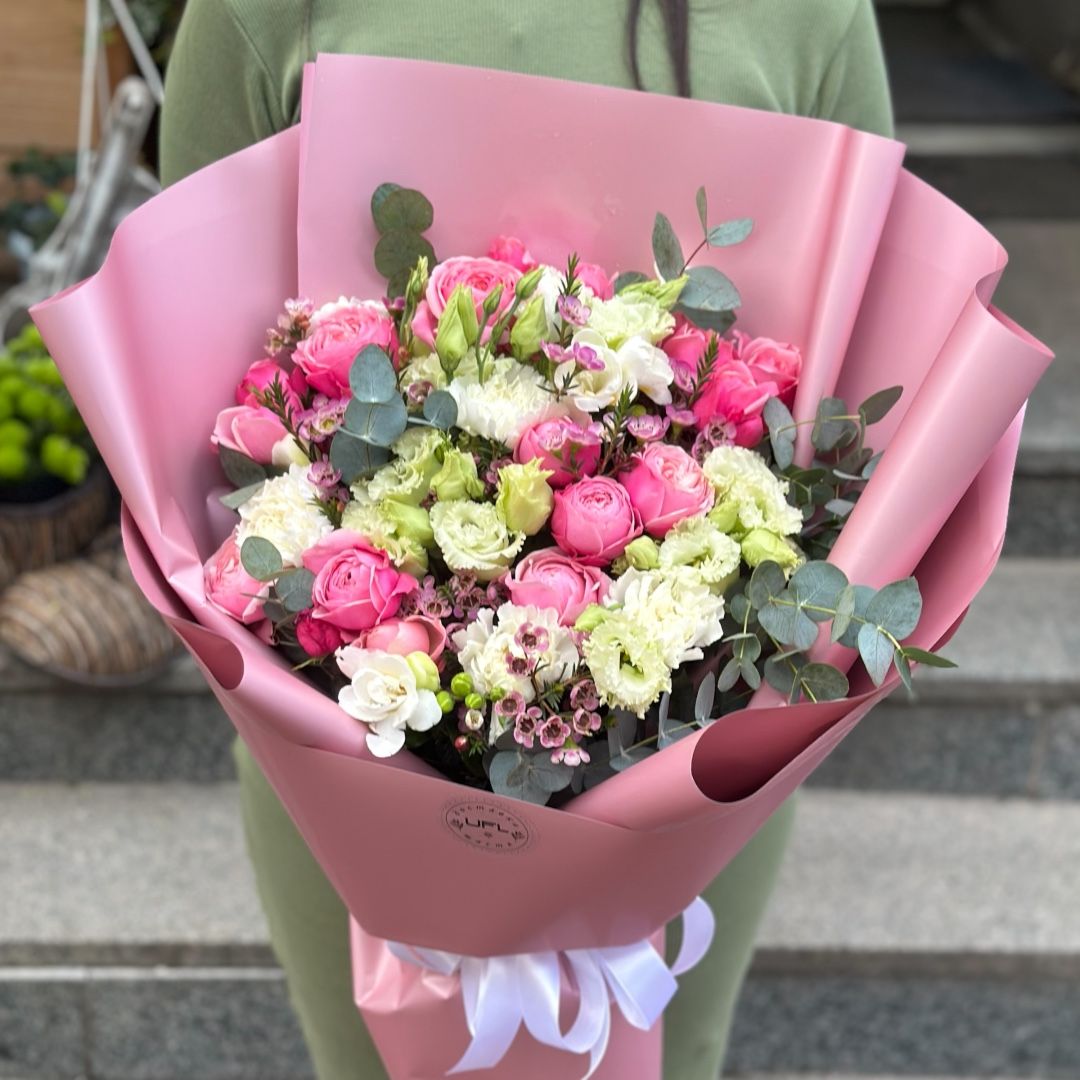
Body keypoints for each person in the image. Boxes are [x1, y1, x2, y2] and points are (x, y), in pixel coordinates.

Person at [160, 3, 892, 1077]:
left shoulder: (808, 14)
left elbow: (857, 363)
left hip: (695, 777)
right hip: (345, 761)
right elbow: (193, 352)